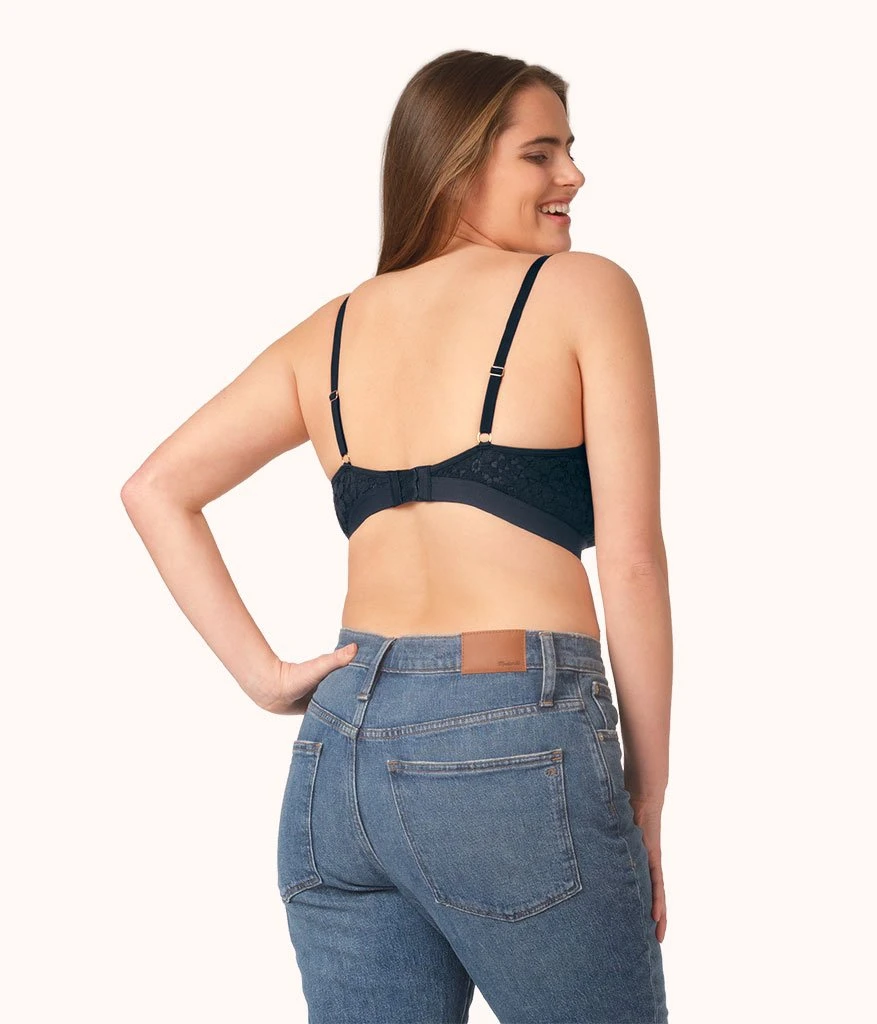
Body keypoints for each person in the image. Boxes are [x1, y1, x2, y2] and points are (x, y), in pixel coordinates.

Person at [121, 48, 672, 1024]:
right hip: (509, 737)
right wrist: (646, 795)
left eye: (568, 150)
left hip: (338, 759)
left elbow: (156, 488)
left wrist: (266, 678)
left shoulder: (329, 330)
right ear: (455, 165)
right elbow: (629, 561)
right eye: (540, 154)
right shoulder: (584, 289)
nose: (573, 175)